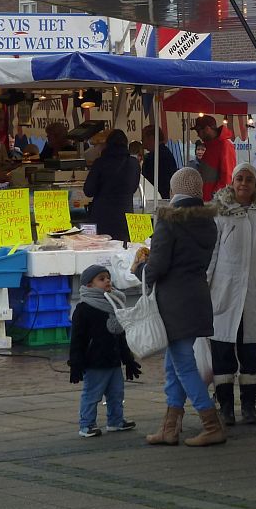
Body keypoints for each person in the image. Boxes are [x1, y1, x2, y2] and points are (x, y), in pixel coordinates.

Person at [140, 167, 225, 447]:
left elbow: (160, 264)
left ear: (175, 189)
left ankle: (211, 424)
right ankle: (169, 428)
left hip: (174, 301)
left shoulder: (170, 220)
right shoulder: (208, 223)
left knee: (183, 365)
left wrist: (141, 269)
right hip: (197, 296)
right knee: (173, 363)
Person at [207, 162, 256, 425]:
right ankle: (225, 406)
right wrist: (205, 283)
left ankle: (249, 404)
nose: (244, 183)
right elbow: (212, 251)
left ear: (255, 183)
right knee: (222, 348)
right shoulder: (220, 212)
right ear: (232, 181)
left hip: (253, 289)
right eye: (239, 178)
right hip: (224, 289)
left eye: (248, 179)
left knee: (250, 351)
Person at [68, 264, 141, 437]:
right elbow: (77, 339)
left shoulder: (114, 304)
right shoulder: (84, 309)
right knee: (92, 394)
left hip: (113, 360)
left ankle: (116, 421)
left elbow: (120, 335)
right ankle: (86, 424)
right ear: (89, 285)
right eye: (101, 279)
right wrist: (76, 362)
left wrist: (128, 359)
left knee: (116, 393)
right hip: (94, 362)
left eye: (108, 278)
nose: (107, 281)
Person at [83, 130, 141, 242]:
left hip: (102, 217)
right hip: (125, 217)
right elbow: (133, 188)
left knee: (102, 253)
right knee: (122, 252)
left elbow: (88, 190)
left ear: (107, 144)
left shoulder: (100, 162)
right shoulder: (134, 163)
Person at [194, 115, 236, 201]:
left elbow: (227, 177)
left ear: (207, 129)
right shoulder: (211, 146)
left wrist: (216, 198)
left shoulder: (225, 145)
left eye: (198, 131)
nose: (198, 135)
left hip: (215, 202)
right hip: (208, 200)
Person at [142, 124, 178, 200]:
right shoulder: (167, 153)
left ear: (151, 138)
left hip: (156, 198)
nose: (142, 143)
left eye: (143, 138)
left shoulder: (152, 157)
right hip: (168, 196)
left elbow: (148, 182)